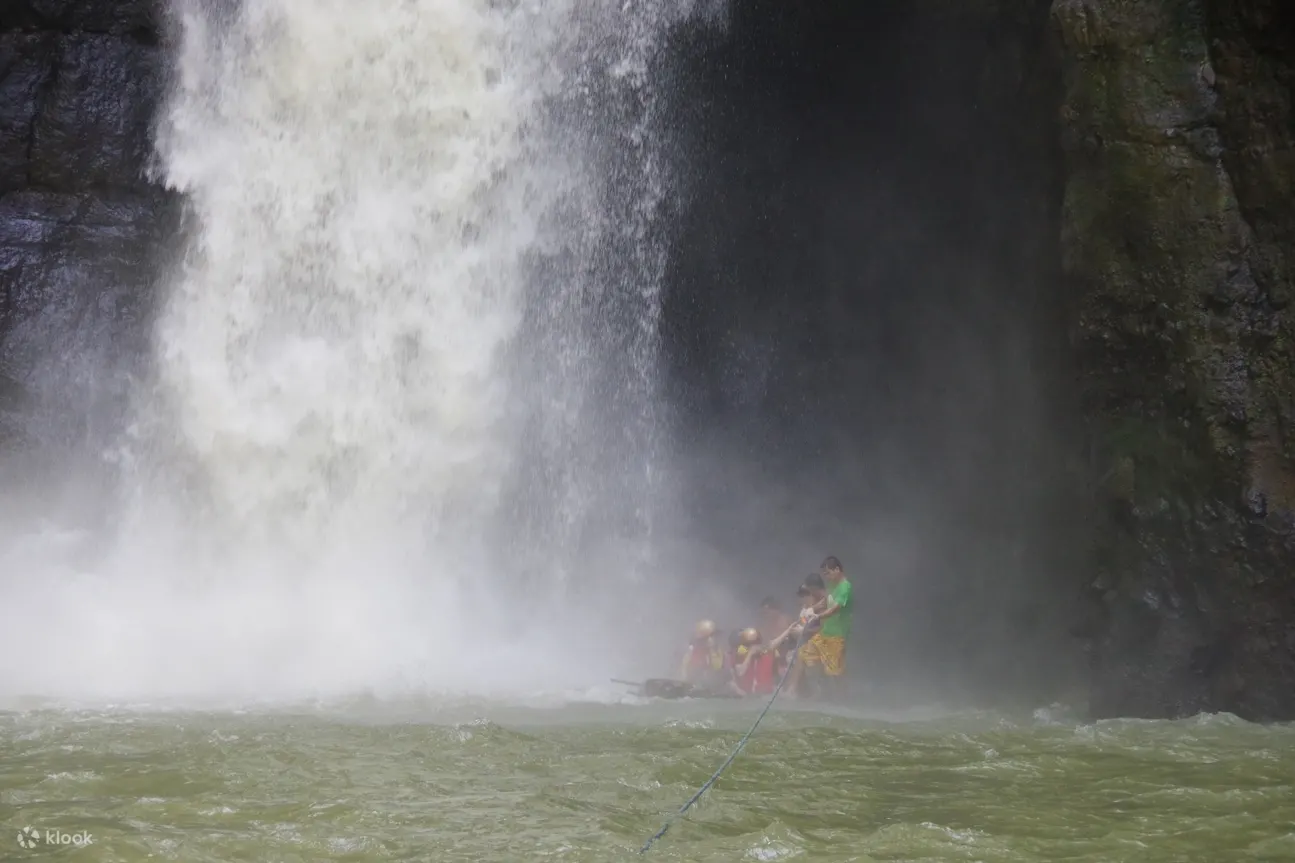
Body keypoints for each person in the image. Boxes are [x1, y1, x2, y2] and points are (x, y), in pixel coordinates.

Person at [799, 556, 853, 699]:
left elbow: (835, 608)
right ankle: (819, 691)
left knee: (835, 671)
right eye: (825, 574)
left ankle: (843, 699)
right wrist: (812, 609)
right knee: (806, 653)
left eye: (828, 573)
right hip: (824, 633)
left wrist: (818, 616)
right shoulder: (831, 585)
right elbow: (825, 602)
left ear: (837, 569)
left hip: (837, 634)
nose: (827, 577)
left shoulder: (845, 587)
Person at [768, 576, 826, 697]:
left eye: (804, 595)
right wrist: (797, 630)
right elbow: (803, 621)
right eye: (800, 596)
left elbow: (822, 627)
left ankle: (792, 689)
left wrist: (804, 631)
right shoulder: (805, 609)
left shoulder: (820, 607)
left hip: (815, 642)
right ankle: (783, 687)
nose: (801, 599)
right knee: (783, 652)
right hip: (800, 641)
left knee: (800, 654)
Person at [680, 619, 727, 689]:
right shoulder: (693, 655)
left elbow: (721, 669)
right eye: (707, 637)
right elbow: (688, 676)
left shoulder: (719, 651)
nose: (711, 640)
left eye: (713, 636)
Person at [731, 627, 778, 695]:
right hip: (747, 694)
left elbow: (772, 645)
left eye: (756, 642)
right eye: (749, 644)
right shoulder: (740, 655)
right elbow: (740, 672)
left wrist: (788, 630)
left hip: (764, 693)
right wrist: (750, 654)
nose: (754, 646)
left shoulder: (766, 654)